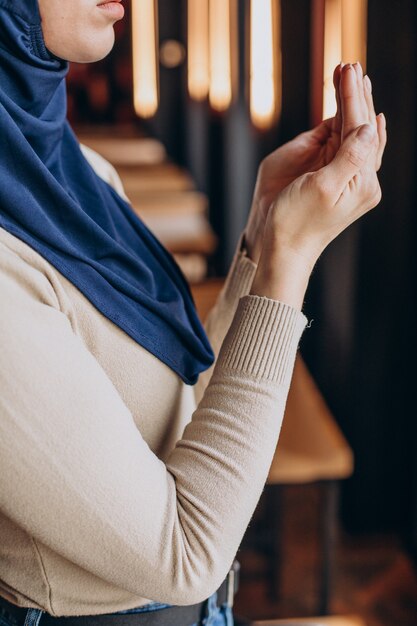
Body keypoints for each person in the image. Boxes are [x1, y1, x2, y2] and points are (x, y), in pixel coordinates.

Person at [0, 1, 386, 626]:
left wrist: (265, 230)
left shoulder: (81, 172)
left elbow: (186, 401)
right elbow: (184, 555)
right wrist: (292, 258)